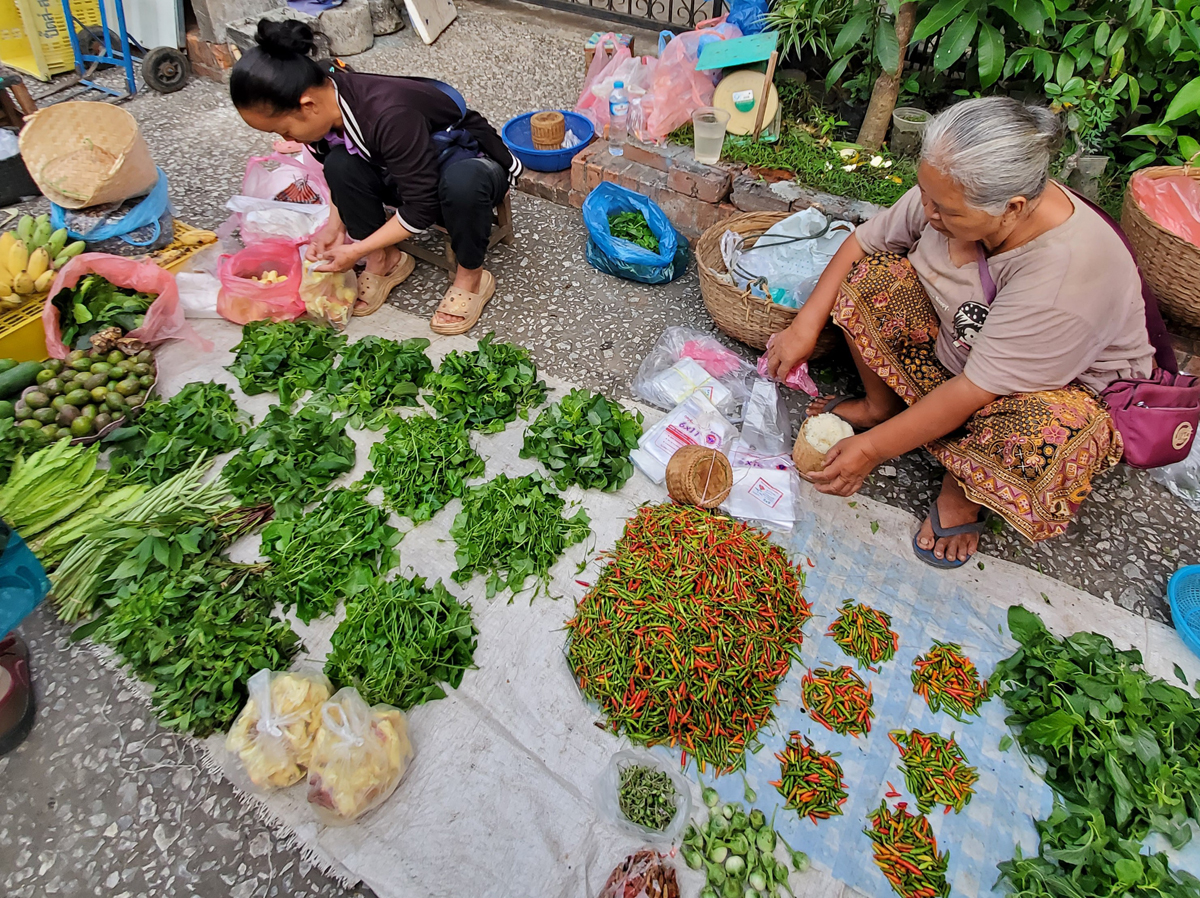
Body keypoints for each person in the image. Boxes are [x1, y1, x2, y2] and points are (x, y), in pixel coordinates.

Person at [767, 97, 1158, 567]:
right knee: (871, 276)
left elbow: (979, 388)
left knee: (1043, 428)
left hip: (1039, 392)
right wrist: (804, 325)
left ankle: (961, 492)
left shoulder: (1065, 274)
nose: (927, 212)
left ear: (1012, 209)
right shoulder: (947, 191)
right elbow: (862, 242)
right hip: (961, 347)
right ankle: (881, 406)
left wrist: (871, 452)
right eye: (924, 194)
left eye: (945, 210)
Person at [229, 19, 522, 332]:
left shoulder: (388, 115)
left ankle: (471, 277)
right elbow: (342, 168)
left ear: (307, 105)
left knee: (463, 184)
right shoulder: (326, 96)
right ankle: (386, 259)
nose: (290, 140)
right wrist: (333, 229)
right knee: (340, 164)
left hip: (466, 159)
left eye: (284, 130)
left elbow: (420, 209)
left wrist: (355, 250)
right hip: (409, 167)